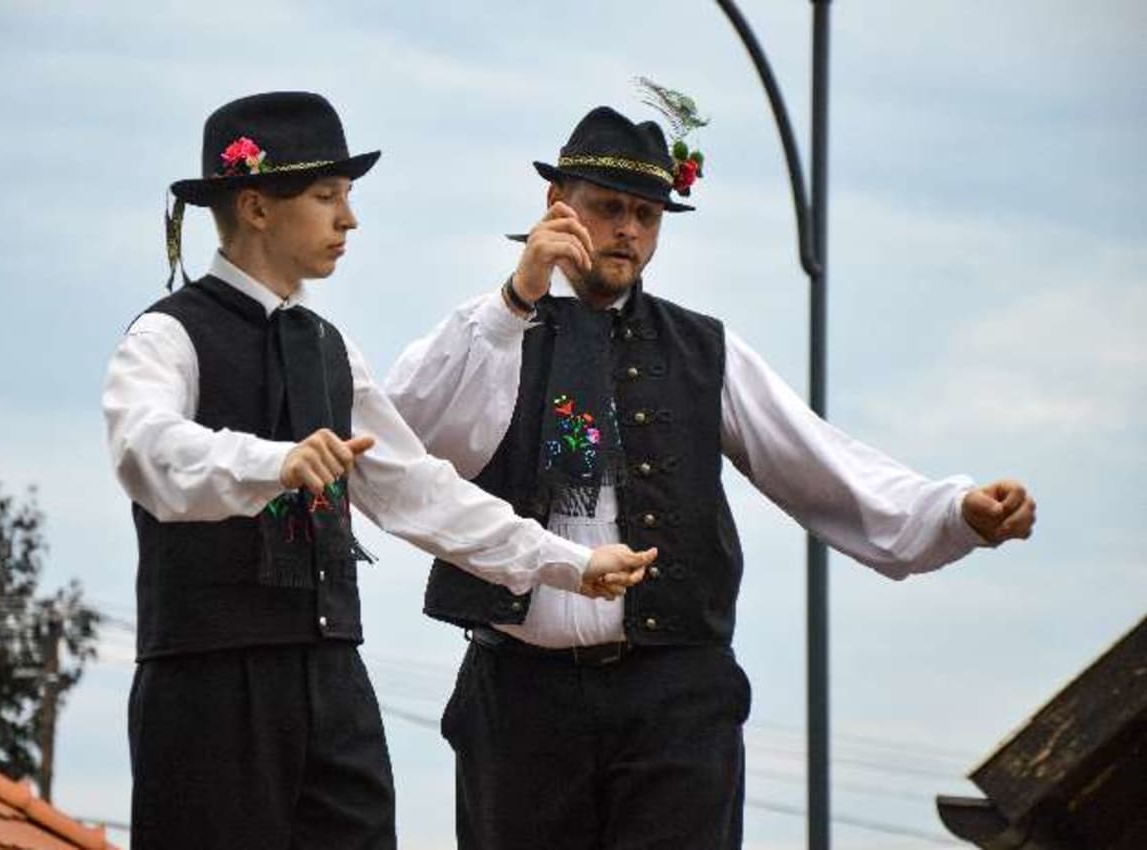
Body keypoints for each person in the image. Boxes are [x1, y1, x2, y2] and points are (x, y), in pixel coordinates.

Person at [384, 102, 1037, 849]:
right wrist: (513, 299)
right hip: (521, 699)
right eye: (608, 208)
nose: (628, 230)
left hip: (674, 697)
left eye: (647, 214)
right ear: (556, 205)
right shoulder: (490, 330)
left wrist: (954, 509)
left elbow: (819, 462)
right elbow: (404, 439)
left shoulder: (700, 350)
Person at [101, 91, 655, 850]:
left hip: (333, 677)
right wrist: (277, 461)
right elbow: (146, 450)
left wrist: (568, 561)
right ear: (257, 207)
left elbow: (417, 489)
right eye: (327, 197)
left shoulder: (331, 350)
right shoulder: (167, 335)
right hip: (209, 682)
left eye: (348, 198)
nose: (348, 219)